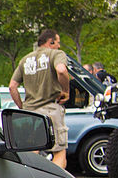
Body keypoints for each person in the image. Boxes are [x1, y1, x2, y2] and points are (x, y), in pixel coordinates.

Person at [10, 28, 72, 169]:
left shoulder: (25, 59)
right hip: (50, 109)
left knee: (32, 153)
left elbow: (12, 87)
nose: (59, 46)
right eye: (57, 42)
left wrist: (22, 107)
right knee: (59, 151)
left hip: (29, 113)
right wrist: (66, 91)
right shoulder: (56, 54)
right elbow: (61, 70)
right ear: (50, 42)